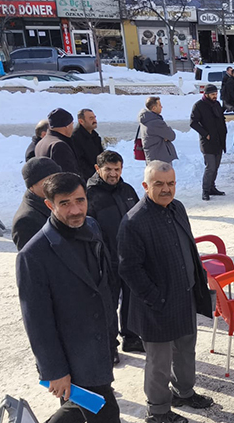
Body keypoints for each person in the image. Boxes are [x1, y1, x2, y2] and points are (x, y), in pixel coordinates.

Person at [16, 172, 121, 422]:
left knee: (83, 411)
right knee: (102, 413)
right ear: (50, 204)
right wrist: (55, 371)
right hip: (73, 359)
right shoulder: (34, 255)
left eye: (80, 200)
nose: (75, 210)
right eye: (65, 203)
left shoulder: (92, 226)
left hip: (100, 348)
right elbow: (37, 321)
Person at [118, 161, 215, 423]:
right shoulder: (134, 221)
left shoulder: (177, 207)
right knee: (159, 363)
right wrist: (157, 298)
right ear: (145, 186)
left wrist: (199, 283)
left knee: (186, 351)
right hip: (157, 307)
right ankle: (158, 410)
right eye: (159, 184)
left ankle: (184, 392)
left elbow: (189, 249)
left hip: (185, 298)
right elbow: (130, 270)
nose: (166, 189)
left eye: (170, 183)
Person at [86, 151, 142, 355]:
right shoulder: (89, 195)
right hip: (105, 261)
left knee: (132, 299)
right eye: (108, 169)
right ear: (97, 169)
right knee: (108, 305)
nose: (113, 174)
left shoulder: (126, 190)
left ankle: (131, 337)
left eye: (117, 169)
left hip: (129, 258)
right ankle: (110, 347)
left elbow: (139, 217)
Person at [12, 157, 62, 250]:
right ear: (31, 186)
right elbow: (31, 259)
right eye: (47, 182)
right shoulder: (25, 221)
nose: (55, 184)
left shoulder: (58, 200)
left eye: (57, 178)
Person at [190, 85, 228, 201]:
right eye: (212, 94)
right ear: (206, 94)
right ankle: (205, 190)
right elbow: (193, 122)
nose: (215, 96)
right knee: (210, 167)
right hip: (207, 142)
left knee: (216, 167)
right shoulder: (198, 106)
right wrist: (205, 133)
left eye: (216, 94)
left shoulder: (216, 104)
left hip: (219, 141)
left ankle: (212, 187)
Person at [36, 108, 80, 176]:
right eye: (72, 124)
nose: (72, 127)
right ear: (67, 126)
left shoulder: (41, 143)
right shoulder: (59, 145)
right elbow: (68, 175)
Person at [139, 96, 178, 163]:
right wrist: (165, 136)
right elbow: (172, 136)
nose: (161, 107)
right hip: (161, 159)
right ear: (154, 108)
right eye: (159, 105)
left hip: (151, 157)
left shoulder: (145, 119)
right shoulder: (156, 122)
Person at [72, 108, 104, 182]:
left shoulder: (95, 136)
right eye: (91, 118)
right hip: (86, 179)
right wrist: (94, 175)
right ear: (81, 121)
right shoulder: (75, 138)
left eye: (94, 117)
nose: (95, 121)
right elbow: (79, 162)